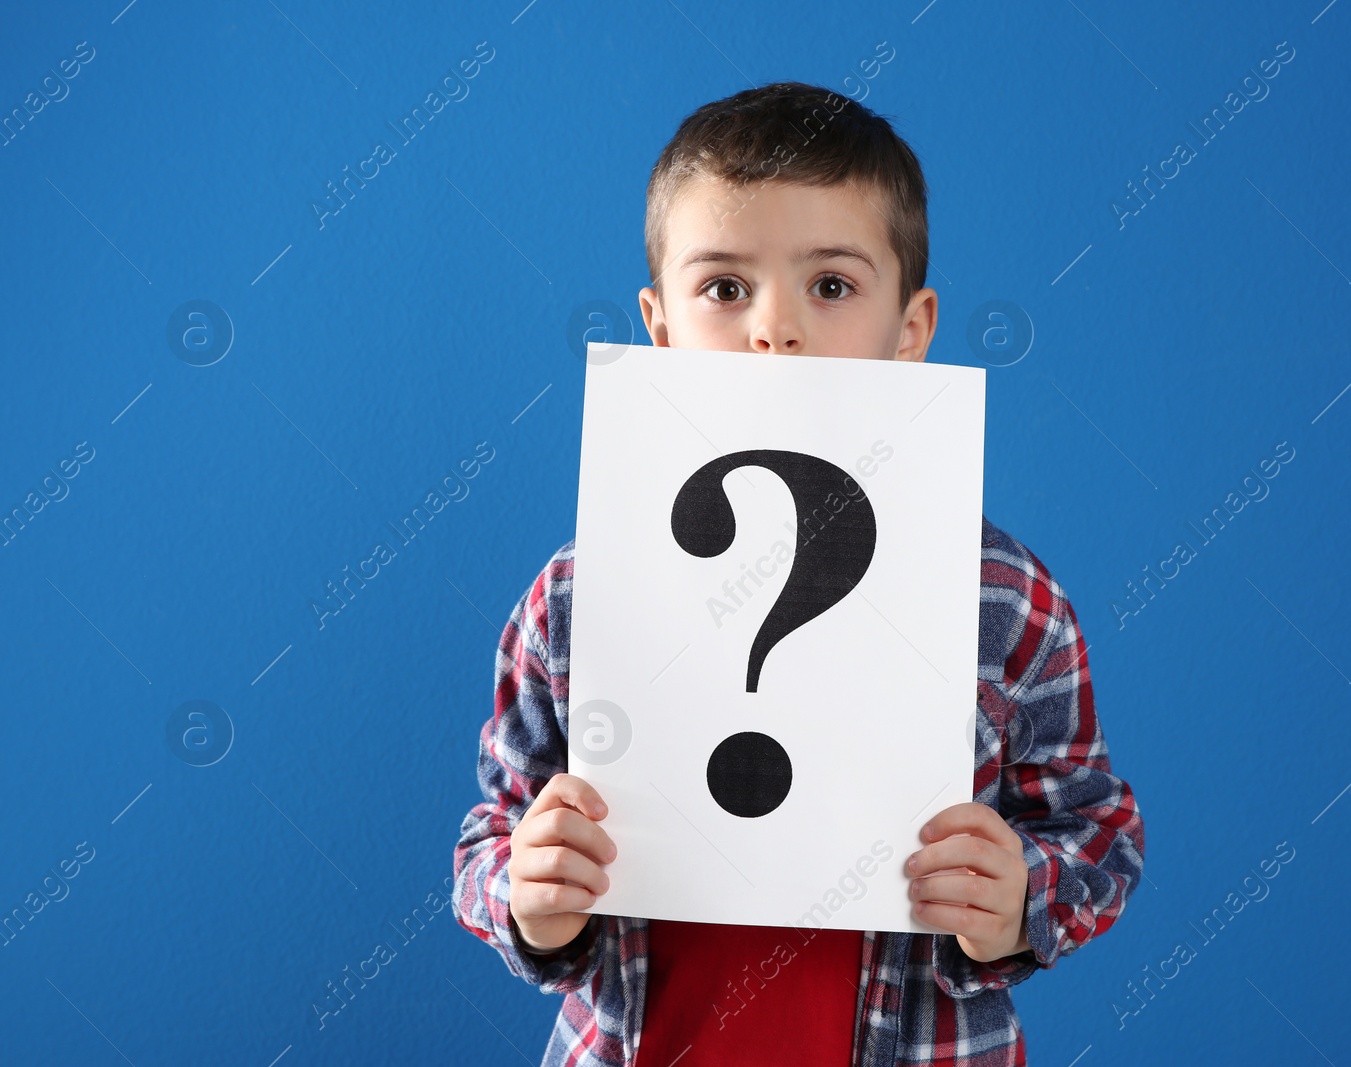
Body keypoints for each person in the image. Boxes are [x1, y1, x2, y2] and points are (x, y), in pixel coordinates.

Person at [452, 80, 1145, 1067]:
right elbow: (493, 831)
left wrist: (1022, 897)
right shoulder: (576, 596)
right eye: (725, 287)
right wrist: (528, 896)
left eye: (829, 284)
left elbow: (1098, 829)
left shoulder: (1005, 601)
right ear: (659, 326)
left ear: (910, 330)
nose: (772, 329)